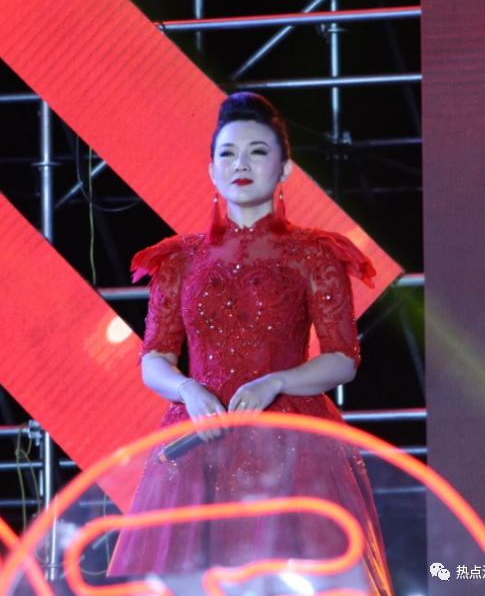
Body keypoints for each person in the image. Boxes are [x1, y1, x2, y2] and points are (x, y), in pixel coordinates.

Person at [108, 92, 394, 595]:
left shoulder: (314, 254)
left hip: (291, 441)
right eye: (228, 153)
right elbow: (154, 357)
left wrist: (277, 381)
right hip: (200, 438)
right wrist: (187, 389)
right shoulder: (179, 259)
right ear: (211, 169)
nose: (241, 164)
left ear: (285, 169)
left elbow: (342, 359)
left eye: (258, 152)